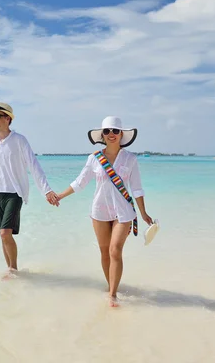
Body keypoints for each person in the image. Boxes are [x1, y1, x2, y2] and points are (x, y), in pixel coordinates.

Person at [54, 116, 153, 307]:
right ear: (103, 135)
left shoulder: (130, 159)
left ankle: (113, 295)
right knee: (104, 252)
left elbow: (137, 189)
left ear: (121, 134)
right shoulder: (94, 158)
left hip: (123, 212)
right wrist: (59, 196)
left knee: (115, 250)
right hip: (99, 211)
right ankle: (111, 285)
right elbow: (80, 183)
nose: (111, 135)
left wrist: (143, 213)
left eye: (115, 131)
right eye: (107, 131)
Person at [0, 102, 59, 279]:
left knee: (6, 232)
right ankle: (10, 270)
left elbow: (34, 165)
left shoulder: (19, 140)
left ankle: (14, 269)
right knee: (2, 235)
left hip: (15, 193)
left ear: (8, 118)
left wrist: (47, 190)